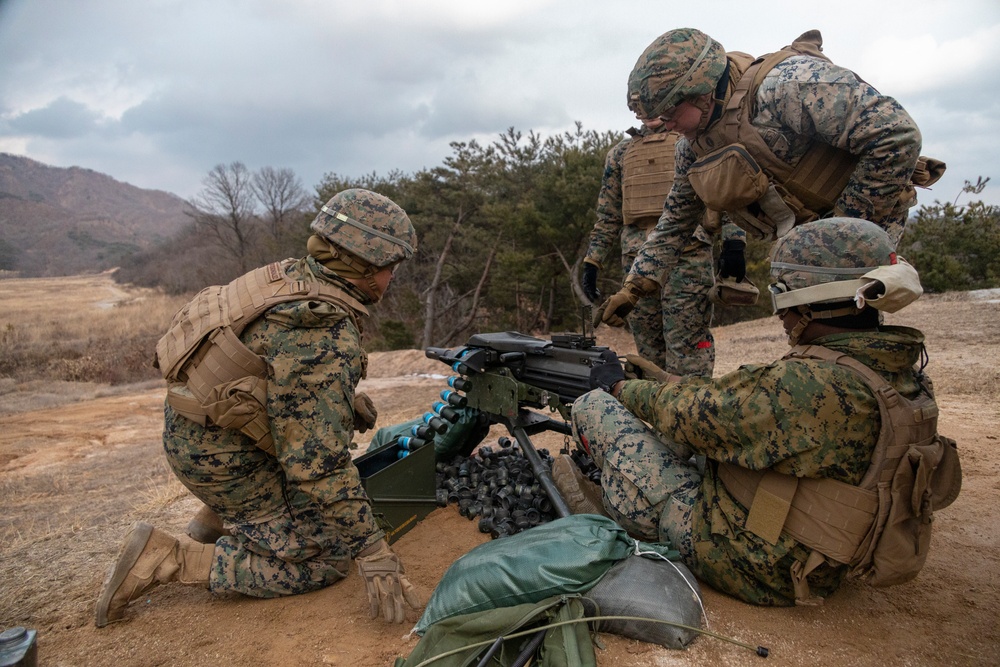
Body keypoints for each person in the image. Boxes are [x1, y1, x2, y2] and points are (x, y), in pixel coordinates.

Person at [574, 218, 961, 606]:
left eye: (781, 297)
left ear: (810, 301)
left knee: (592, 407)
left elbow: (693, 417)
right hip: (827, 555)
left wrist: (621, 388)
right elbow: (741, 409)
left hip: (756, 563)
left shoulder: (807, 384)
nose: (779, 316)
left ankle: (602, 503)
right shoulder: (897, 375)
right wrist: (671, 381)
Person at [95, 188, 423, 627]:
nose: (391, 278)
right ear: (360, 265)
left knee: (309, 470)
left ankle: (217, 521)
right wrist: (373, 551)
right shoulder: (321, 331)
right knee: (324, 557)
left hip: (197, 434)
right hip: (223, 459)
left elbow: (272, 377)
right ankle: (169, 560)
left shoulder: (286, 278)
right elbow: (317, 464)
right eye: (389, 268)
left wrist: (341, 405)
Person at [595, 28, 944, 330]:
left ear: (702, 92)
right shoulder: (693, 146)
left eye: (670, 113)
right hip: (807, 242)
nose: (665, 125)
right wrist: (635, 286)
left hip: (856, 225)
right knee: (810, 334)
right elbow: (675, 223)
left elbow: (896, 135)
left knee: (844, 329)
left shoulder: (786, 86)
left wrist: (843, 232)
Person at [582, 119, 721, 377]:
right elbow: (608, 214)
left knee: (690, 347)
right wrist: (593, 260)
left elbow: (723, 191)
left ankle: (693, 412)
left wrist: (734, 243)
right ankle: (658, 412)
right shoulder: (621, 154)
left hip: (689, 256)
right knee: (649, 354)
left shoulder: (693, 142)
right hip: (637, 266)